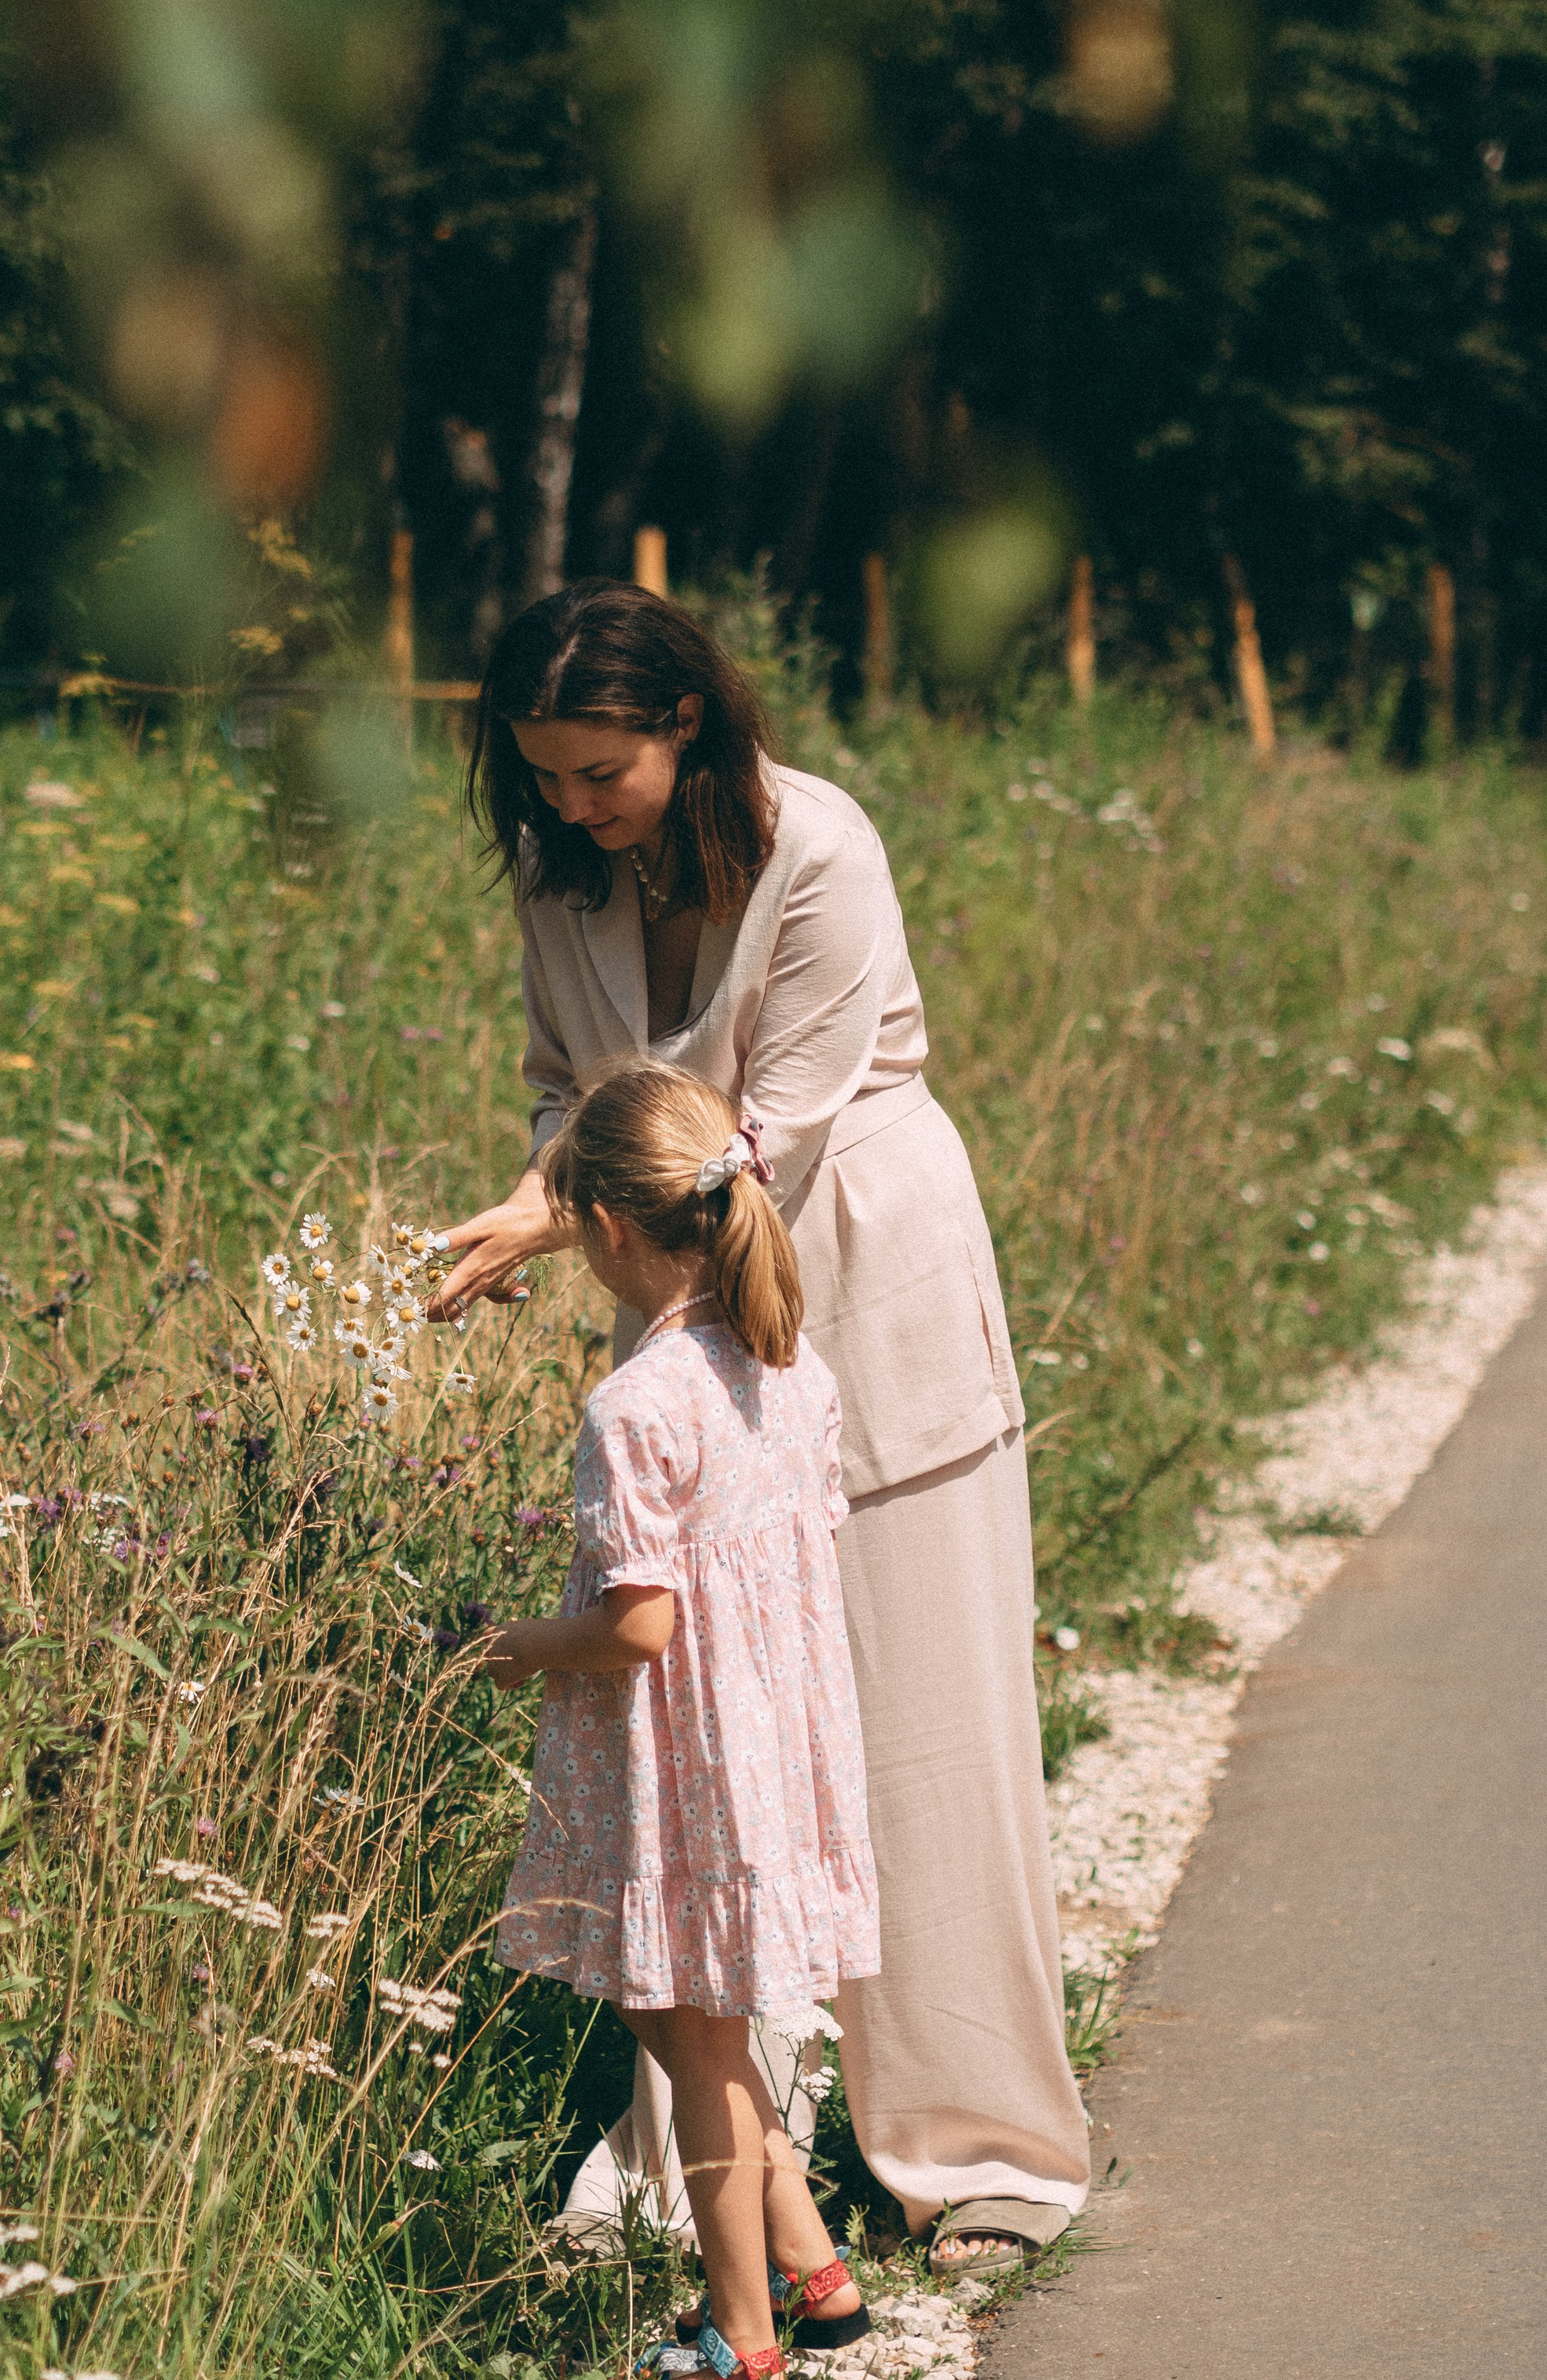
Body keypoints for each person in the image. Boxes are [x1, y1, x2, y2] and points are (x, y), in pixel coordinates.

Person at [437, 580, 1088, 2273]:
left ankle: (976, 2155)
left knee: (921, 1724)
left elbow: (766, 1137)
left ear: (686, 727)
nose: (568, 808)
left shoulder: (820, 846)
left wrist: (557, 1204)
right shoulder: (557, 871)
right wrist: (539, 1192)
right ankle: (722, 2166)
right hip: (675, 1311)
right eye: (542, 779)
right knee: (710, 1742)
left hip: (851, 1285)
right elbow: (558, 1087)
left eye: (598, 773)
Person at [485, 1062, 880, 2377]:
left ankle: (743, 2338)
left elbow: (640, 1624)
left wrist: (509, 1648)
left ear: (602, 1228)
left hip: (687, 1765)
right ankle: (817, 2273)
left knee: (698, 2058)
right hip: (768, 1752)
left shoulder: (635, 1403)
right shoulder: (786, 1369)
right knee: (691, 2032)